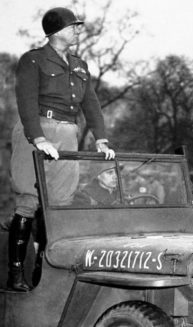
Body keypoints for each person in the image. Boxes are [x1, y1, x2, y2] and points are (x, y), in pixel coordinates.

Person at [7, 7, 115, 292]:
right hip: (38, 132)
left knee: (59, 205)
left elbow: (90, 104)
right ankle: (15, 275)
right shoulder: (33, 60)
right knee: (28, 201)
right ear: (56, 31)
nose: (79, 30)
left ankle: (46, 277)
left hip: (68, 134)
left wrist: (100, 138)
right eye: (74, 26)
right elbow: (26, 100)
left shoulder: (79, 65)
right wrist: (38, 138)